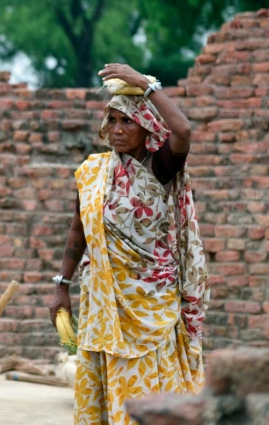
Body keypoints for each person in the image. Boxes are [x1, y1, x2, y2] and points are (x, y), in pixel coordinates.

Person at [49, 64, 209, 425]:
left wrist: (145, 85)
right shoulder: (93, 172)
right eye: (113, 121)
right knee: (107, 384)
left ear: (146, 127)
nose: (118, 130)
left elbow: (182, 129)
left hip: (149, 301)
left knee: (150, 385)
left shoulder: (159, 168)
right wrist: (62, 284)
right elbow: (79, 229)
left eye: (128, 122)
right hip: (103, 299)